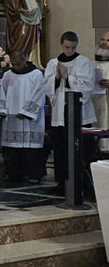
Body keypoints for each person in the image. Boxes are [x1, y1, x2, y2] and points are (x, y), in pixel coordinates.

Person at [45, 31, 96, 195]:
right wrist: (57, 78)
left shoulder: (84, 62)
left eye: (73, 47)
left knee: (80, 150)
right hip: (60, 115)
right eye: (67, 47)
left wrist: (68, 77)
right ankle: (61, 183)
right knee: (60, 150)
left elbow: (87, 86)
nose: (70, 51)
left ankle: (82, 183)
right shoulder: (53, 63)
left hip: (80, 115)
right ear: (62, 45)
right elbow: (46, 86)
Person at [0, 51, 46, 183]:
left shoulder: (36, 74)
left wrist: (26, 112)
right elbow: (2, 93)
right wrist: (2, 110)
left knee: (30, 149)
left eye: (19, 64)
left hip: (29, 121)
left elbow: (39, 95)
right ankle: (14, 173)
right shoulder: (8, 75)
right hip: (12, 119)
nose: (16, 67)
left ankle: (34, 174)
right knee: (12, 148)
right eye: (14, 64)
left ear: (25, 59)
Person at [93, 32, 109, 153]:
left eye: (108, 41)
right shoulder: (94, 63)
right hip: (96, 105)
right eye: (103, 39)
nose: (104, 43)